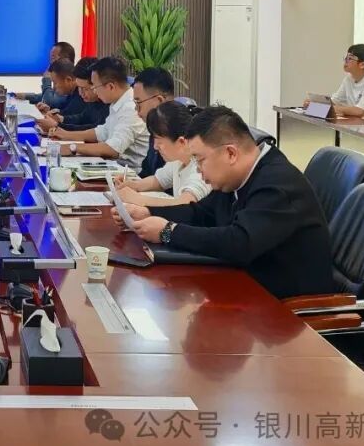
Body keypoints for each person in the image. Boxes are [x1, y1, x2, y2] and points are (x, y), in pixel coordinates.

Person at [112, 106, 334, 300]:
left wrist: (168, 232)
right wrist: (147, 212)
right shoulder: (236, 178)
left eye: (200, 160)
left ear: (230, 154)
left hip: (286, 310)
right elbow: (200, 213)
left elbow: (239, 242)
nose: (198, 170)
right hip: (247, 287)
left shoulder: (277, 184)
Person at [47, 56, 149, 170]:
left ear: (110, 86)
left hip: (129, 172)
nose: (95, 91)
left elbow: (112, 149)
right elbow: (102, 132)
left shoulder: (130, 108)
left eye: (95, 87)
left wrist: (73, 147)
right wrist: (66, 135)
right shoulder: (117, 102)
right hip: (114, 166)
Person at [114, 102, 210, 207]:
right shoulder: (178, 160)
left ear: (181, 142)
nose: (155, 147)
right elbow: (158, 181)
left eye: (159, 141)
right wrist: (133, 185)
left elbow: (185, 204)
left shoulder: (200, 169)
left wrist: (138, 199)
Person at [35, 57, 108, 133]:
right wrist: (61, 119)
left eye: (85, 89)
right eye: (79, 87)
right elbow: (82, 118)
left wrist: (57, 126)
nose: (80, 93)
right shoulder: (93, 100)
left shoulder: (107, 103)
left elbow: (94, 130)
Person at [132, 68, 176, 178]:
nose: (137, 110)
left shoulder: (181, 132)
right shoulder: (154, 128)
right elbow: (146, 172)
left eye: (138, 103)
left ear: (159, 101)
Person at [20, 41, 75, 110]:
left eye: (52, 58)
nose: (50, 62)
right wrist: (25, 96)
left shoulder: (68, 79)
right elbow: (51, 95)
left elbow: (50, 101)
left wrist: (46, 79)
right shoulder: (60, 76)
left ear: (64, 60)